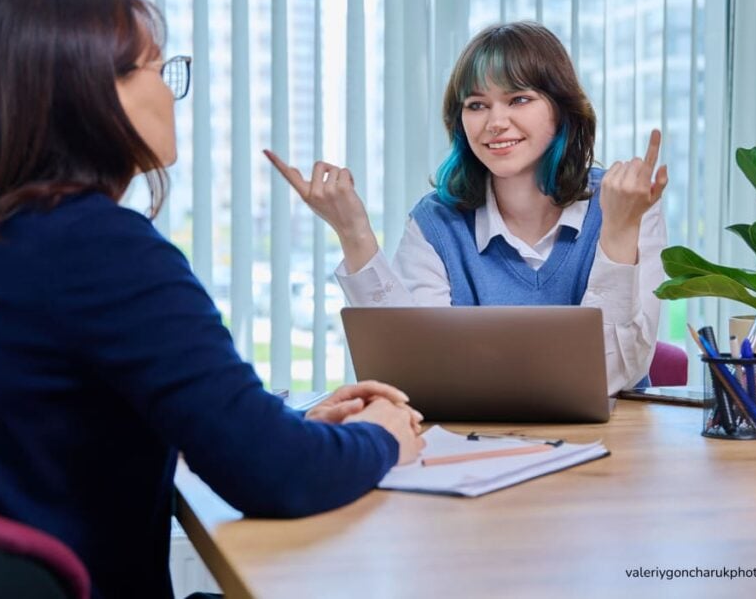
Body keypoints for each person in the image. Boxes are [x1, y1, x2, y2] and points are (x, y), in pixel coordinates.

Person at [0, 0, 423, 599]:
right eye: (158, 69)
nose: (170, 91)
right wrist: (382, 435)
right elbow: (276, 476)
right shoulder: (98, 248)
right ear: (89, 94)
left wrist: (286, 427)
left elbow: (48, 437)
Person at [266, 21, 668, 395]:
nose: (495, 122)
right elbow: (409, 372)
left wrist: (618, 230)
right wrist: (353, 233)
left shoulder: (627, 206)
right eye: (477, 105)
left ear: (562, 110)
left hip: (616, 439)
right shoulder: (435, 222)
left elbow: (613, 373)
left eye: (519, 99)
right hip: (473, 438)